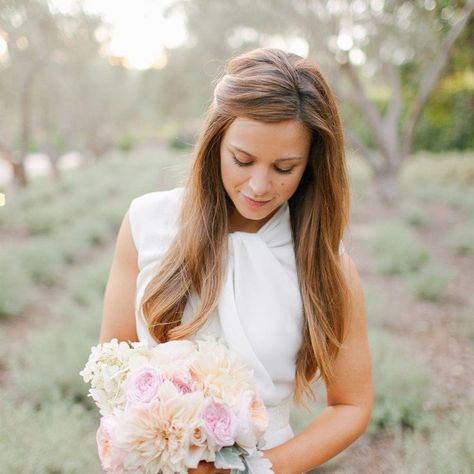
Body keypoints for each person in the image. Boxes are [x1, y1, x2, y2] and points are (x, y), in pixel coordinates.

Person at [98, 47, 373, 474]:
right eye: (242, 161)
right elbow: (111, 368)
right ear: (215, 143)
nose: (259, 186)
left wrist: (255, 470)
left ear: (311, 164)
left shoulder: (327, 263)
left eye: (285, 167)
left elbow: (352, 404)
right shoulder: (146, 223)